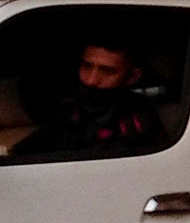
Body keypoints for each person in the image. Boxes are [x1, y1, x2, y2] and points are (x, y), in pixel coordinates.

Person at [18, 42, 164, 158]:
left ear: (132, 77)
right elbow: (28, 149)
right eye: (87, 66)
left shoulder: (138, 120)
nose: (91, 80)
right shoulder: (70, 108)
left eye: (107, 71)